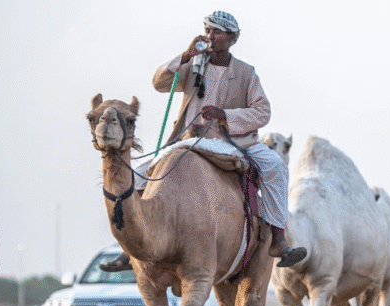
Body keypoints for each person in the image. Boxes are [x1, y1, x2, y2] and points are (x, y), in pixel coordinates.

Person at [100, 10, 306, 272]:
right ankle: (129, 248)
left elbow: (262, 112)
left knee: (276, 166)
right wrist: (185, 56)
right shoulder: (192, 66)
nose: (210, 36)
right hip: (189, 139)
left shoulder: (246, 73)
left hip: (235, 141)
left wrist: (226, 115)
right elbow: (159, 83)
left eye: (217, 32)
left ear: (232, 39)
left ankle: (278, 239)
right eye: (208, 30)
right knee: (138, 177)